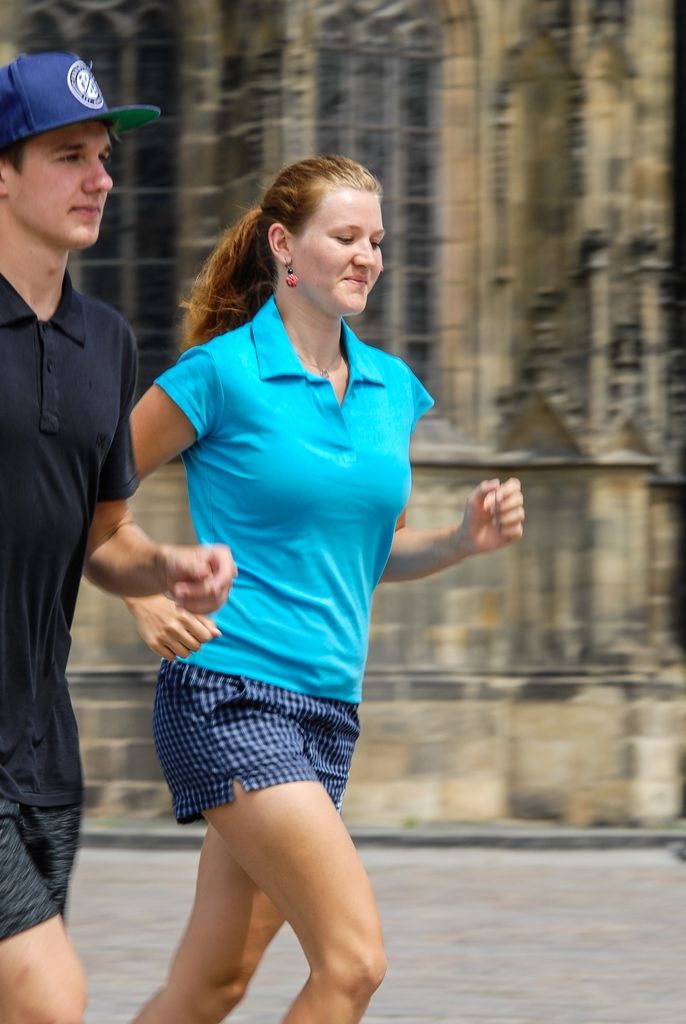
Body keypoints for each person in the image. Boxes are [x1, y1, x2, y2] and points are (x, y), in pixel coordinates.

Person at [124, 154, 525, 1024]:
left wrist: (460, 541)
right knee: (353, 962)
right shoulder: (218, 374)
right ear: (284, 246)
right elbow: (89, 493)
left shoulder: (391, 390)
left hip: (326, 713)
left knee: (211, 986)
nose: (366, 256)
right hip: (230, 696)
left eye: (375, 240)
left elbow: (373, 553)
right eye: (344, 236)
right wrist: (145, 592)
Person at [0, 51, 236, 1024]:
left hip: (44, 743)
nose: (100, 177)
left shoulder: (109, 341)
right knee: (51, 995)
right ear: (2, 173)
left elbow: (103, 536)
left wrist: (163, 569)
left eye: (103, 155)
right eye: (69, 155)